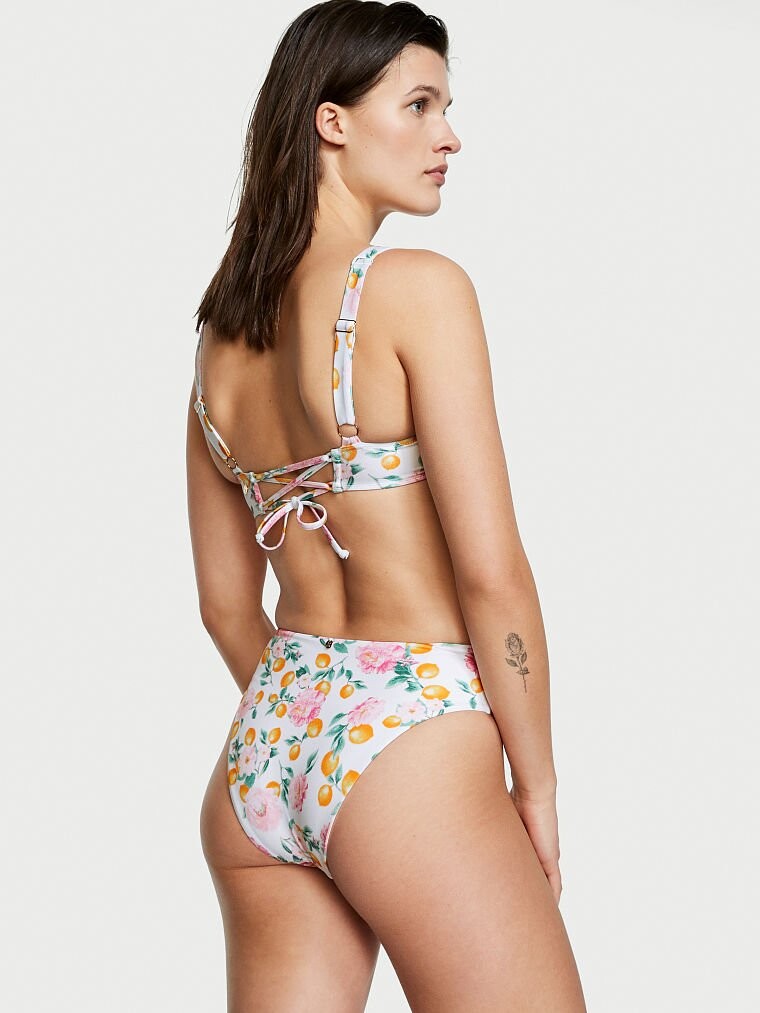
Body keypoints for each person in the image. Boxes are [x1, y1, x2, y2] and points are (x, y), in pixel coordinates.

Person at [186, 2, 587, 1009]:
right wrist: (535, 784)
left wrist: (317, 726)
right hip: (411, 737)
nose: (449, 136)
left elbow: (227, 607)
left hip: (266, 748)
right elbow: (491, 575)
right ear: (332, 121)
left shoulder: (221, 338)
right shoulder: (414, 289)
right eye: (419, 105)